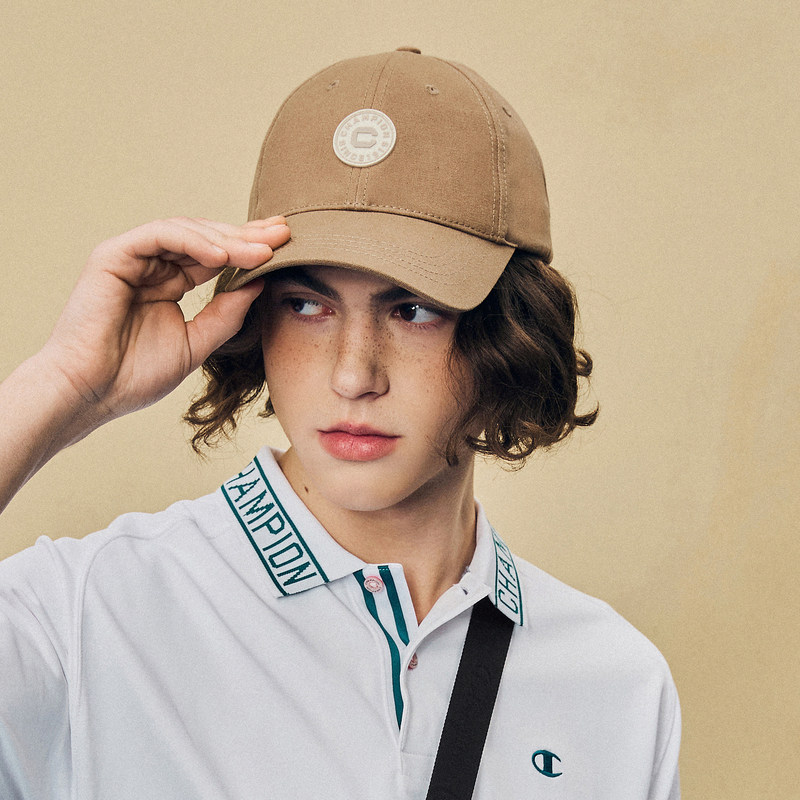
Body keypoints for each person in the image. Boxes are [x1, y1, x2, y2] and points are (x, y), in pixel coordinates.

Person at [0, 48, 680, 798]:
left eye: (414, 310)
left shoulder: (617, 685)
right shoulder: (81, 614)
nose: (354, 375)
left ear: (510, 333)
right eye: (307, 305)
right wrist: (65, 386)